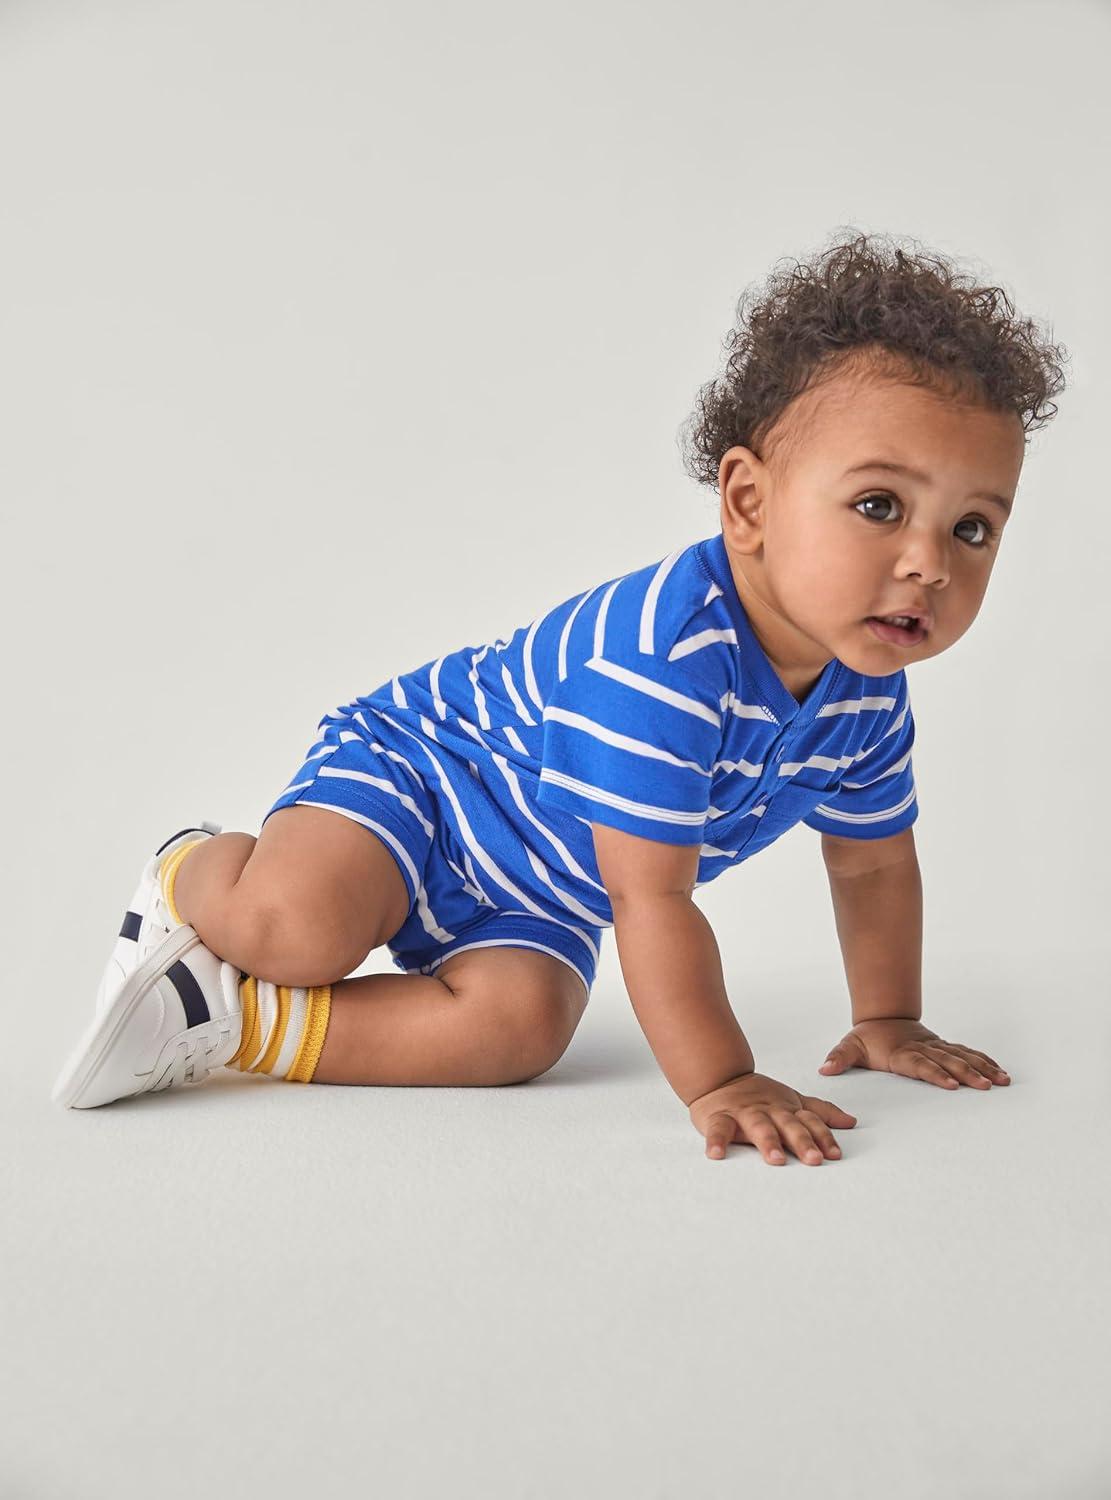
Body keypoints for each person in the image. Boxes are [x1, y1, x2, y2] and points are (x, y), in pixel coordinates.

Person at [52, 230, 1068, 1166]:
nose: (929, 563)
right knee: (297, 930)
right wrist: (720, 1079)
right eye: (879, 506)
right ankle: (191, 870)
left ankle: (230, 1023)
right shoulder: (664, 660)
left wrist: (888, 1019)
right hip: (425, 782)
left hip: (543, 888)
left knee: (519, 1031)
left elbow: (872, 863)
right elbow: (651, 898)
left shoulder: (865, 698)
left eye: (972, 528)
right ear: (748, 502)